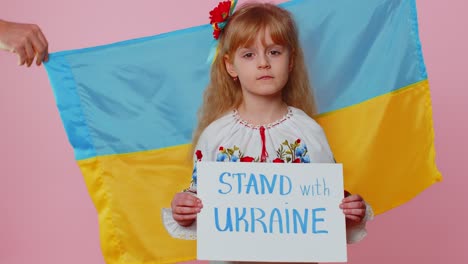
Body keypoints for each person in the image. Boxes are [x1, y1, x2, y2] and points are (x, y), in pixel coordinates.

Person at [163, 1, 373, 262]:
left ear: (291, 60)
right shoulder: (216, 136)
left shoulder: (307, 131)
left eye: (274, 52)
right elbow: (202, 200)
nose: (263, 63)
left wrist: (349, 209)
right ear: (230, 66)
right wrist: (185, 207)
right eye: (249, 55)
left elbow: (327, 203)